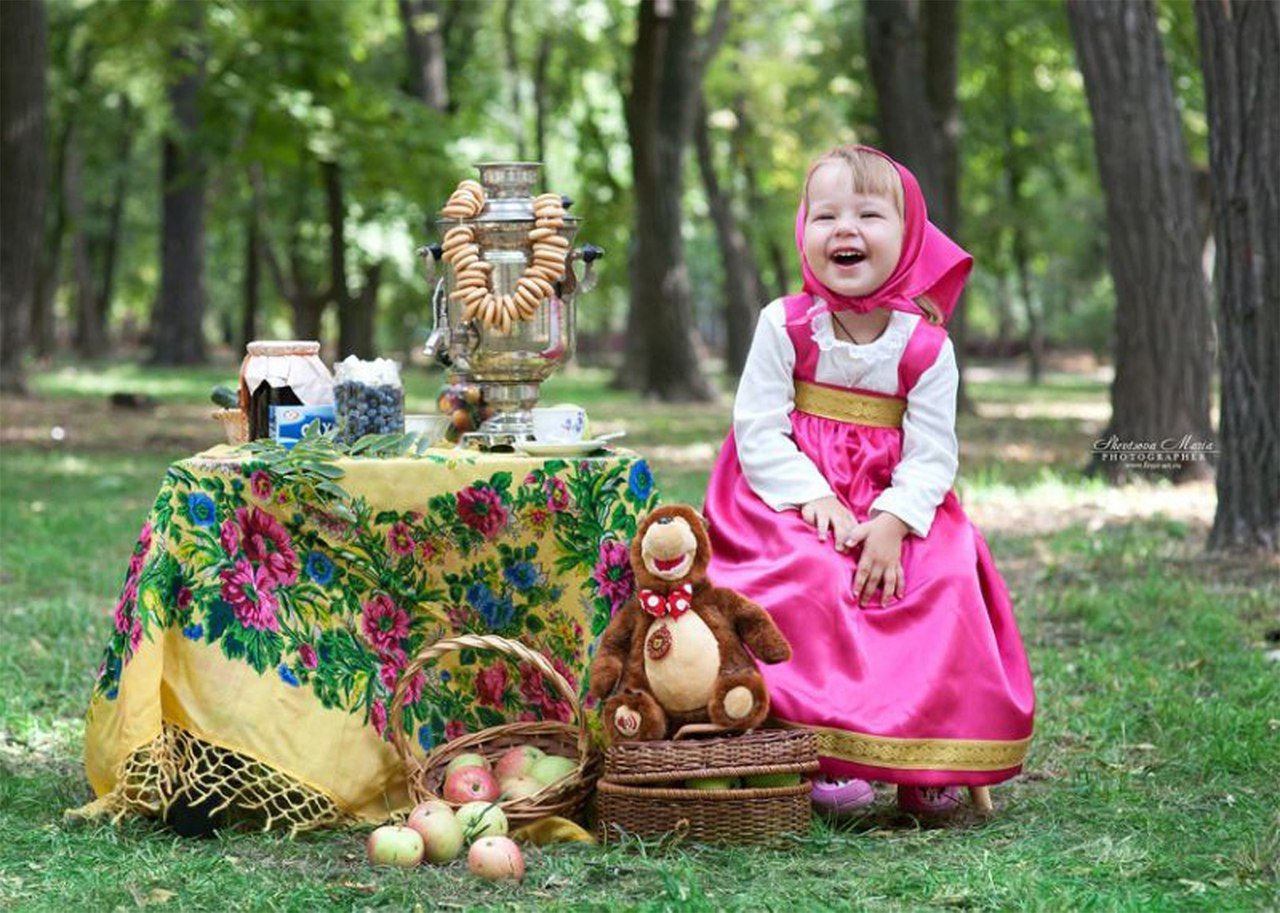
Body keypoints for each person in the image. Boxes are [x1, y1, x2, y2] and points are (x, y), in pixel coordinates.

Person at [703, 146, 1035, 816]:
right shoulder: (786, 324)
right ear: (803, 231)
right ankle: (818, 751)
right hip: (791, 493)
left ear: (908, 235)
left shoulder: (926, 346)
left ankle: (928, 755)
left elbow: (934, 452)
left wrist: (892, 520)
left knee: (939, 575)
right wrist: (814, 495)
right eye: (824, 215)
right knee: (806, 572)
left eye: (868, 214)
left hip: (893, 501)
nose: (844, 229)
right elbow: (757, 426)